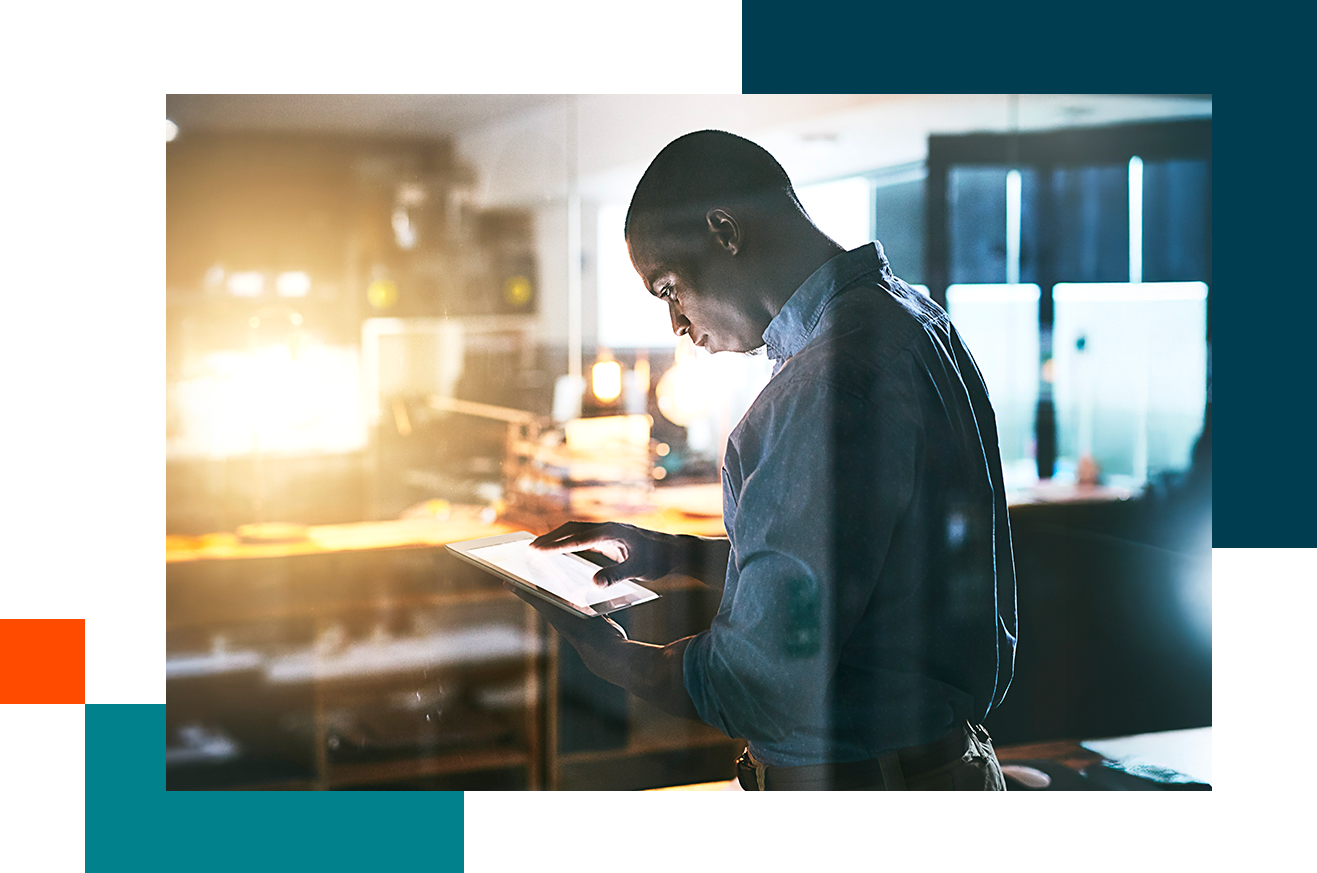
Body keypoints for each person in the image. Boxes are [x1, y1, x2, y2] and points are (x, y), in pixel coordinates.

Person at [512, 130, 1017, 790]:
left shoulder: (823, 384)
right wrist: (679, 554)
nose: (677, 327)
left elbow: (761, 681)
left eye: (668, 288)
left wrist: (616, 660)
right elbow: (858, 575)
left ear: (723, 230)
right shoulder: (916, 320)